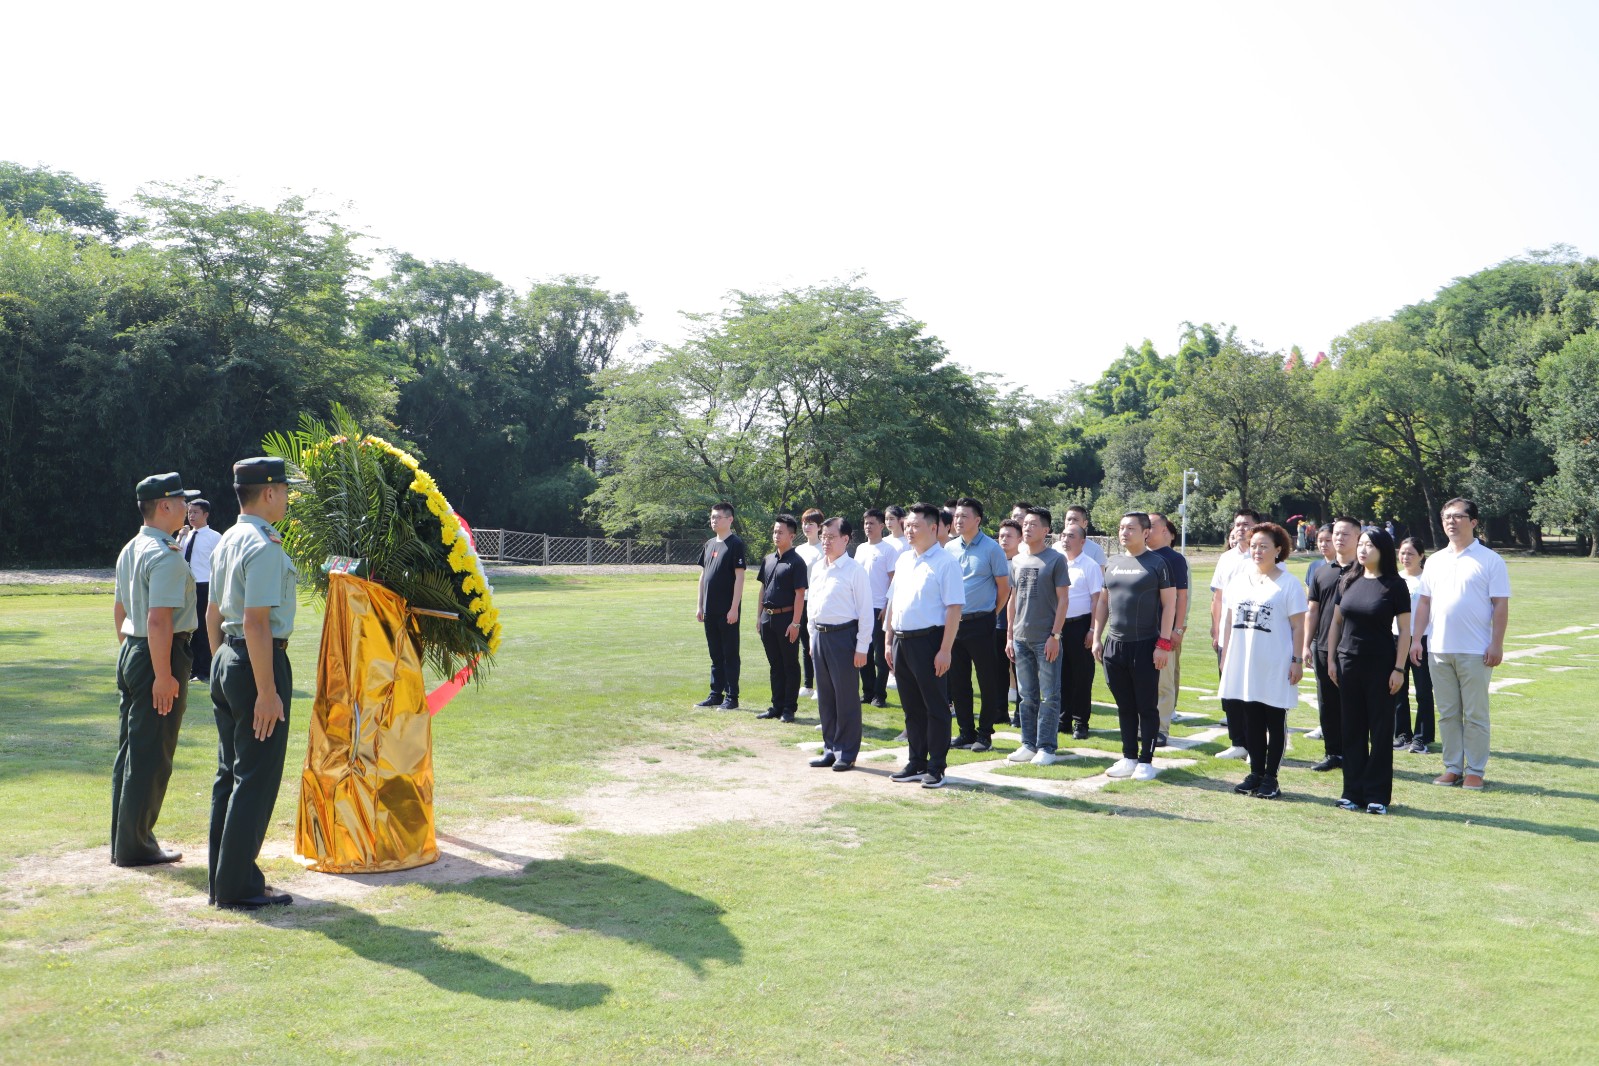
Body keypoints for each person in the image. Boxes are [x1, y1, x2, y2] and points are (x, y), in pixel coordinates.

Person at [206, 456, 298, 910]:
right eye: (283, 489)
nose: (287, 497)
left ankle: (222, 878)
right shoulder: (263, 545)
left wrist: (220, 665)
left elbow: (212, 613)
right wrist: (266, 691)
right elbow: (258, 622)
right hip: (258, 661)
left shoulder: (225, 540)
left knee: (230, 774)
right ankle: (238, 883)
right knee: (255, 778)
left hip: (228, 655)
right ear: (267, 493)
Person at [110, 471, 202, 868]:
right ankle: (137, 845)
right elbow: (161, 620)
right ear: (164, 506)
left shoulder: (132, 547)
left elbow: (121, 610)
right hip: (157, 653)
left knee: (131, 750)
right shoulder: (164, 553)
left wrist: (134, 655)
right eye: (182, 501)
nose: (187, 507)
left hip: (134, 649)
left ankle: (124, 837)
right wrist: (162, 674)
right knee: (151, 754)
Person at [1411, 499, 1511, 791]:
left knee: (1476, 714)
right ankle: (1453, 767)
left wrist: (1497, 643)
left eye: (1458, 516)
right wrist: (1417, 639)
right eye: (1446, 517)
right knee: (1448, 713)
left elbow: (1500, 605)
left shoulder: (1490, 560)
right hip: (1438, 649)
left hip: (1476, 650)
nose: (1451, 522)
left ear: (1474, 522)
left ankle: (1475, 771)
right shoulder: (1436, 560)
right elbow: (1424, 603)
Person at [1217, 523, 1307, 800]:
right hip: (1244, 662)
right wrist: (1225, 655)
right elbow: (1230, 621)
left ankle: (1271, 778)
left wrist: (1297, 660)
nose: (1257, 550)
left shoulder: (1289, 583)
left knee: (1273, 718)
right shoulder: (1240, 580)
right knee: (1250, 719)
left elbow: (1298, 627)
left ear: (1278, 550)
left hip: (1275, 662)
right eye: (1253, 545)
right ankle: (1255, 773)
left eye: (1264, 545)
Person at [1326, 528, 1411, 814]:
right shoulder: (1349, 580)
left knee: (1381, 729)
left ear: (1383, 550)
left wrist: (1399, 669)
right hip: (1347, 664)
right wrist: (1332, 660)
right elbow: (1336, 623)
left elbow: (1405, 631)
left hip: (1381, 667)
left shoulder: (1395, 585)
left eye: (1369, 545)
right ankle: (1352, 792)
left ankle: (1376, 795)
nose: (1362, 550)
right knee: (1351, 730)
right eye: (1360, 544)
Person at [882, 502, 964, 789]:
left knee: (935, 707)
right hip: (902, 640)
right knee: (911, 707)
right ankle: (915, 761)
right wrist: (888, 640)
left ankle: (936, 767)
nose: (910, 530)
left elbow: (954, 609)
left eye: (916, 526)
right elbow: (894, 602)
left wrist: (945, 649)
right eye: (907, 526)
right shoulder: (904, 560)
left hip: (930, 641)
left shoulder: (945, 563)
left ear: (934, 528)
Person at [1092, 512, 1175, 780]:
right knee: (1124, 705)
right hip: (1115, 644)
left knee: (1146, 706)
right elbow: (1103, 602)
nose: (1124, 532)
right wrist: (1096, 637)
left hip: (1146, 644)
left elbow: (1169, 605)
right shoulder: (1112, 563)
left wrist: (1163, 643)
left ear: (1146, 532)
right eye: (1121, 528)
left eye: (1130, 528)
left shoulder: (1158, 563)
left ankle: (1145, 761)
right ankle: (1128, 757)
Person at [805, 517, 874, 772]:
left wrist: (862, 647)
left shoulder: (854, 570)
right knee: (825, 697)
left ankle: (847, 751)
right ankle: (830, 748)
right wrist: (812, 636)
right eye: (823, 536)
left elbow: (866, 612)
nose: (826, 541)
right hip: (820, 637)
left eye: (831, 537)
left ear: (846, 539)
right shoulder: (818, 567)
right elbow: (812, 605)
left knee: (846, 698)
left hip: (844, 637)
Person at [1006, 507, 1072, 765]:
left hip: (1045, 637)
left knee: (1049, 695)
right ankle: (1028, 743)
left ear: (1046, 531)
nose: (1027, 527)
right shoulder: (1017, 561)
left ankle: (1047, 747)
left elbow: (1063, 599)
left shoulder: (1056, 560)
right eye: (1026, 523)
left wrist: (1055, 635)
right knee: (1027, 695)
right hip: (1020, 638)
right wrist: (1010, 635)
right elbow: (1012, 599)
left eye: (1034, 524)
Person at [946, 498, 1011, 752]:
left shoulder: (992, 549)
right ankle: (965, 732)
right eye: (957, 516)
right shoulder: (949, 549)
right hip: (954, 623)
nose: (958, 520)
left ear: (977, 520)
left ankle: (985, 733)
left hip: (981, 621)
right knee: (959, 680)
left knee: (987, 679)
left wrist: (990, 614)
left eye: (964, 516)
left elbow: (1003, 588)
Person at [1302, 517, 1360, 770]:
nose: (1339, 538)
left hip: (1354, 648)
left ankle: (1355, 753)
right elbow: (1312, 610)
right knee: (1327, 702)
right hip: (1323, 646)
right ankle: (1333, 752)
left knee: (1354, 703)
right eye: (1336, 533)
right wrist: (1306, 644)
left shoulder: (1365, 571)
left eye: (1345, 534)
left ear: (1358, 537)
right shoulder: (1321, 572)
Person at [1208, 509, 1267, 759]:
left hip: (1255, 635)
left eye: (1246, 524)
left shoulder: (1267, 558)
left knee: (1253, 693)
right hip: (1227, 634)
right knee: (1230, 689)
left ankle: (1257, 745)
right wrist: (1215, 628)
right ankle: (1238, 742)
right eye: (1237, 524)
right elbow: (1217, 597)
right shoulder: (1227, 558)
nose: (1241, 528)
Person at [755, 514, 809, 722]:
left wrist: (796, 623)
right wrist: (759, 617)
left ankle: (789, 708)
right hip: (768, 619)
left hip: (787, 619)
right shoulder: (768, 559)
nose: (776, 535)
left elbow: (800, 594)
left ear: (792, 536)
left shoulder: (796, 562)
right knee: (775, 664)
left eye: (781, 532)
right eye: (775, 531)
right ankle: (776, 706)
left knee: (790, 665)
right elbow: (763, 589)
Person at [695, 503, 747, 711]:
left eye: (718, 517)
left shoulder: (735, 544)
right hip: (710, 610)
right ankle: (716, 694)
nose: (714, 520)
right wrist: (699, 605)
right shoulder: (709, 544)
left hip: (727, 611)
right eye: (712, 517)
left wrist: (734, 607)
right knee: (715, 654)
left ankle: (731, 697)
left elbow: (740, 576)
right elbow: (703, 575)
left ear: (730, 519)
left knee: (730, 654)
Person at [1147, 512, 1190, 746]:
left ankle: (1161, 729)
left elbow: (1181, 598)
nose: (1146, 530)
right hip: (1139, 631)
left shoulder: (1174, 559)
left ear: (1164, 530)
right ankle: (1143, 726)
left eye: (1151, 526)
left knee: (1163, 683)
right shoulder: (1138, 556)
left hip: (1163, 632)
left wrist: (1177, 630)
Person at [1061, 523, 1104, 740]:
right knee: (1061, 675)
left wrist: (1092, 630)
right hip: (1059, 626)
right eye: (1063, 535)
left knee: (1081, 676)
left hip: (1081, 625)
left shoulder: (1090, 565)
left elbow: (1097, 599)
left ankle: (1081, 722)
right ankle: (1063, 719)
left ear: (1082, 541)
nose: (1065, 539)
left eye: (1071, 536)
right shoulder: (1058, 562)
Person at [1395, 538, 1435, 754]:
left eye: (1410, 553)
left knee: (1423, 691)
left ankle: (1422, 737)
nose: (1405, 557)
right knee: (1397, 688)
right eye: (1402, 553)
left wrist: (1418, 639)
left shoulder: (1427, 580)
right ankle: (1402, 734)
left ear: (1421, 556)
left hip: (1421, 639)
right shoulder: (1394, 579)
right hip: (1395, 638)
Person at [176, 498, 222, 683]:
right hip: (188, 587)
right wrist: (180, 537)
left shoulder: (215, 537)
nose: (191, 516)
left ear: (206, 515)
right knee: (189, 629)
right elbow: (175, 555)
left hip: (205, 586)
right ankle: (192, 668)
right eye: (189, 512)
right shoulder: (185, 535)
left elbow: (219, 564)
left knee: (204, 629)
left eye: (195, 512)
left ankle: (205, 669)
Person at [854, 508, 896, 708]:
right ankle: (868, 691)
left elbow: (893, 581)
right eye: (865, 524)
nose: (868, 527)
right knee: (864, 651)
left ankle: (880, 694)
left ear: (881, 526)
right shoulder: (861, 548)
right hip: (860, 608)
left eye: (872, 523)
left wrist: (887, 606)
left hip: (879, 608)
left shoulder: (888, 550)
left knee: (880, 655)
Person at [795, 508, 826, 699]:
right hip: (801, 601)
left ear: (819, 527)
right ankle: (808, 685)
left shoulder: (824, 549)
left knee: (817, 644)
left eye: (810, 523)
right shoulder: (799, 549)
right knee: (805, 645)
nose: (806, 527)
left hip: (817, 602)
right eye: (804, 523)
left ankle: (822, 686)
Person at [996, 518, 1023, 716]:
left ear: (1019, 539)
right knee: (997, 670)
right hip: (996, 623)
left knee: (1019, 671)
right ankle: (999, 711)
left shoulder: (1023, 562)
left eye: (1009, 536)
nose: (1004, 540)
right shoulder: (993, 559)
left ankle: (1021, 713)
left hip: (1018, 625)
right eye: (1001, 535)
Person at [1305, 526, 1335, 590]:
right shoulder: (1313, 566)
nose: (1323, 544)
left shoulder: (1345, 567)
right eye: (1320, 541)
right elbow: (1309, 594)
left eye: (1328, 540)